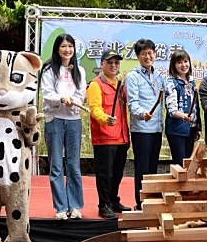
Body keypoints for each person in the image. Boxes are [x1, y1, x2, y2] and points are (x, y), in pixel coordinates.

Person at [41, 34, 87, 220]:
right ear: (57, 49)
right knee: (56, 166)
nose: (67, 50)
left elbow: (80, 94)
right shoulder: (49, 70)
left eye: (70, 46)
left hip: (73, 120)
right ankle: (60, 207)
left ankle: (75, 206)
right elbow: (47, 93)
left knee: (74, 165)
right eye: (63, 46)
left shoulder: (80, 71)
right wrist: (61, 99)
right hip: (54, 120)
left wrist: (73, 101)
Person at [86, 49, 131, 219]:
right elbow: (94, 109)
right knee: (105, 174)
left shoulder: (120, 84)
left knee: (118, 172)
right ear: (102, 64)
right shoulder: (95, 85)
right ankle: (103, 205)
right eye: (109, 62)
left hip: (121, 137)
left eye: (116, 63)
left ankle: (113, 200)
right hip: (105, 138)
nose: (113, 65)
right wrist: (105, 119)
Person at [126, 38, 165, 210]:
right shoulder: (132, 76)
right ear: (137, 56)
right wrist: (143, 114)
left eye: (150, 53)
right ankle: (140, 202)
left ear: (155, 54)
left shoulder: (158, 76)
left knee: (153, 167)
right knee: (142, 167)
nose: (147, 57)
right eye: (143, 54)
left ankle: (151, 200)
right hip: (141, 129)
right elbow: (132, 102)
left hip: (156, 129)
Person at [164, 49, 201, 167]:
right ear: (173, 65)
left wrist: (197, 127)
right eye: (179, 62)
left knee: (189, 165)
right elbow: (172, 109)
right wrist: (183, 116)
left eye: (186, 61)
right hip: (177, 129)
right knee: (180, 165)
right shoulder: (171, 82)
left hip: (191, 128)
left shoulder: (191, 81)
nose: (183, 65)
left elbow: (195, 106)